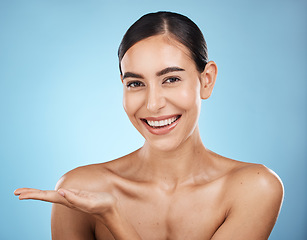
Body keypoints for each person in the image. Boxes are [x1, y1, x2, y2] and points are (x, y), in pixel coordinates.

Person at [14, 11, 284, 240]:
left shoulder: (253, 188)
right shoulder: (79, 190)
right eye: (135, 84)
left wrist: (113, 216)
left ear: (207, 80)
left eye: (171, 79)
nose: (153, 104)